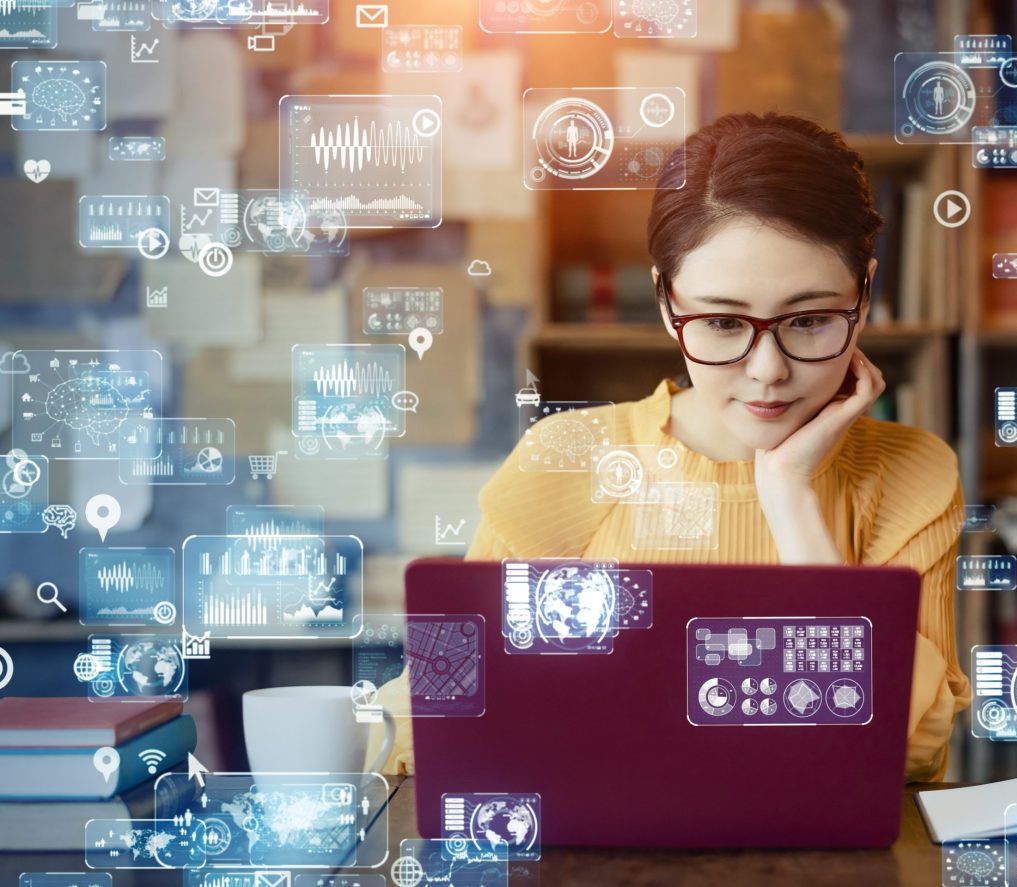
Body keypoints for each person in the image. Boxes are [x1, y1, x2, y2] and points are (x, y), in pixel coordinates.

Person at [370, 111, 972, 781]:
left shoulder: (911, 473)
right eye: (720, 321)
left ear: (863, 296)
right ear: (665, 301)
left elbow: (909, 748)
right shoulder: (569, 459)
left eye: (808, 320)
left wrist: (792, 500)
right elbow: (436, 713)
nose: (768, 369)